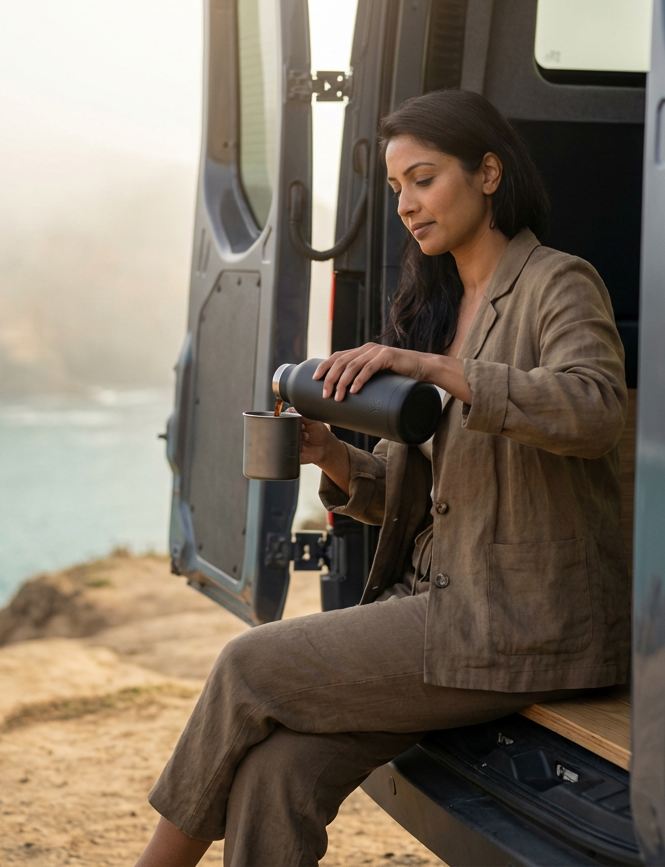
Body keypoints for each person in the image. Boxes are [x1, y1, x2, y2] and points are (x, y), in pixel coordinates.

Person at [135, 88, 630, 867]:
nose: (406, 204)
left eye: (424, 179)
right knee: (277, 770)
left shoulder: (556, 284)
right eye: (396, 187)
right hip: (433, 603)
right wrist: (333, 456)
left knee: (246, 665)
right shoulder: (437, 305)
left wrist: (437, 368)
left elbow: (596, 410)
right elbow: (427, 498)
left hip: (520, 620)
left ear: (489, 173)